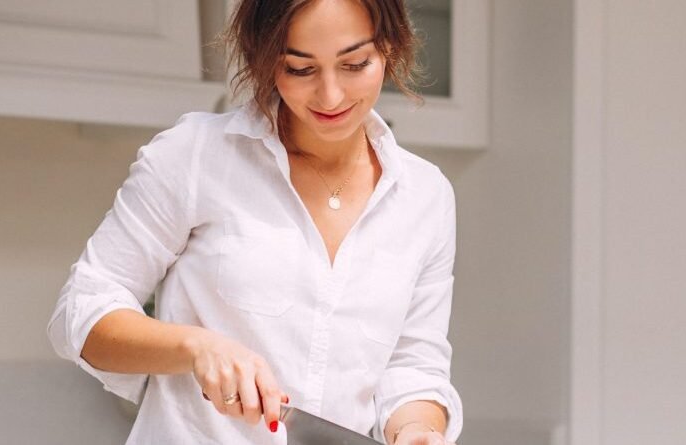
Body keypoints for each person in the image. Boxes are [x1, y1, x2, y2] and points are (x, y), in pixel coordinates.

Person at [47, 0, 463, 444]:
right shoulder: (195, 155)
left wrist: (417, 431)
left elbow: (414, 367)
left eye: (355, 64)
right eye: (300, 69)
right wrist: (196, 347)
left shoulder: (425, 196)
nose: (330, 96)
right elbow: (80, 313)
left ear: (390, 47)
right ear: (265, 59)